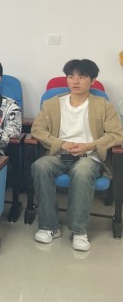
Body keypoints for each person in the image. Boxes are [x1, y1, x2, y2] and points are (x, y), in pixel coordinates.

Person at [31, 59, 123, 251]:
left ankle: (79, 231)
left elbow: (117, 134)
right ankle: (49, 226)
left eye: (82, 77)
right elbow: (37, 130)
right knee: (40, 165)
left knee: (82, 170)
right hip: (59, 155)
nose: (75, 81)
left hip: (89, 157)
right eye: (71, 76)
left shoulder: (103, 105)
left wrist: (89, 145)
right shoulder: (52, 104)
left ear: (93, 80)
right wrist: (62, 144)